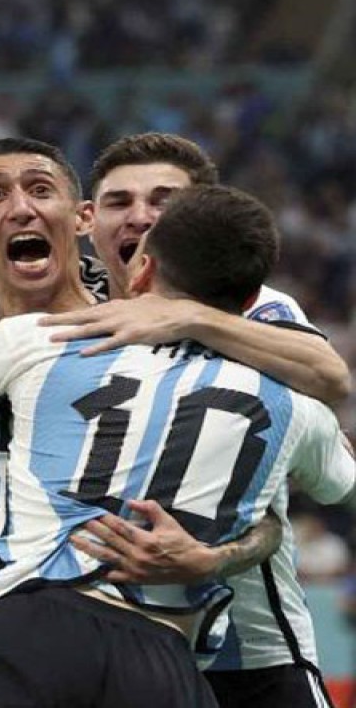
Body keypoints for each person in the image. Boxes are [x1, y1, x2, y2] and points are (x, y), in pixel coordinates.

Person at [0, 170, 355, 707]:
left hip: (36, 631)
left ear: (143, 268)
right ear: (254, 295)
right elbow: (342, 484)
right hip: (167, 661)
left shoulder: (40, 339)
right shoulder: (296, 408)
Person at [42, 132, 352, 707]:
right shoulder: (53, 315)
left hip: (250, 649)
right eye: (119, 202)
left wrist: (190, 316)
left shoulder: (256, 309)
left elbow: (330, 376)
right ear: (86, 219)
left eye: (165, 201)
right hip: (83, 647)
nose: (142, 217)